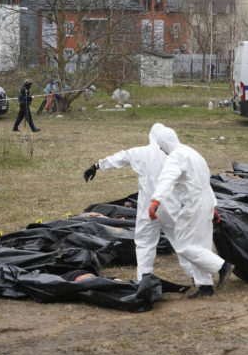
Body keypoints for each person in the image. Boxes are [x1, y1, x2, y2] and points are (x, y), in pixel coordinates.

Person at [83, 123, 217, 285]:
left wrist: (97, 165)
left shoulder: (141, 152)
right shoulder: (177, 154)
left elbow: (122, 157)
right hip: (171, 207)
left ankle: (144, 278)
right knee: (181, 243)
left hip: (149, 208)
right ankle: (195, 277)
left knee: (145, 243)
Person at [149, 127, 233, 298]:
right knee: (200, 246)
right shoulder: (193, 153)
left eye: (160, 146)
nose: (160, 150)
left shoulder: (176, 157)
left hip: (192, 204)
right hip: (205, 203)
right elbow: (205, 182)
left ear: (165, 143)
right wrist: (213, 206)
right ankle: (205, 286)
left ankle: (222, 266)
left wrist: (156, 200)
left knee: (183, 245)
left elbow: (167, 179)